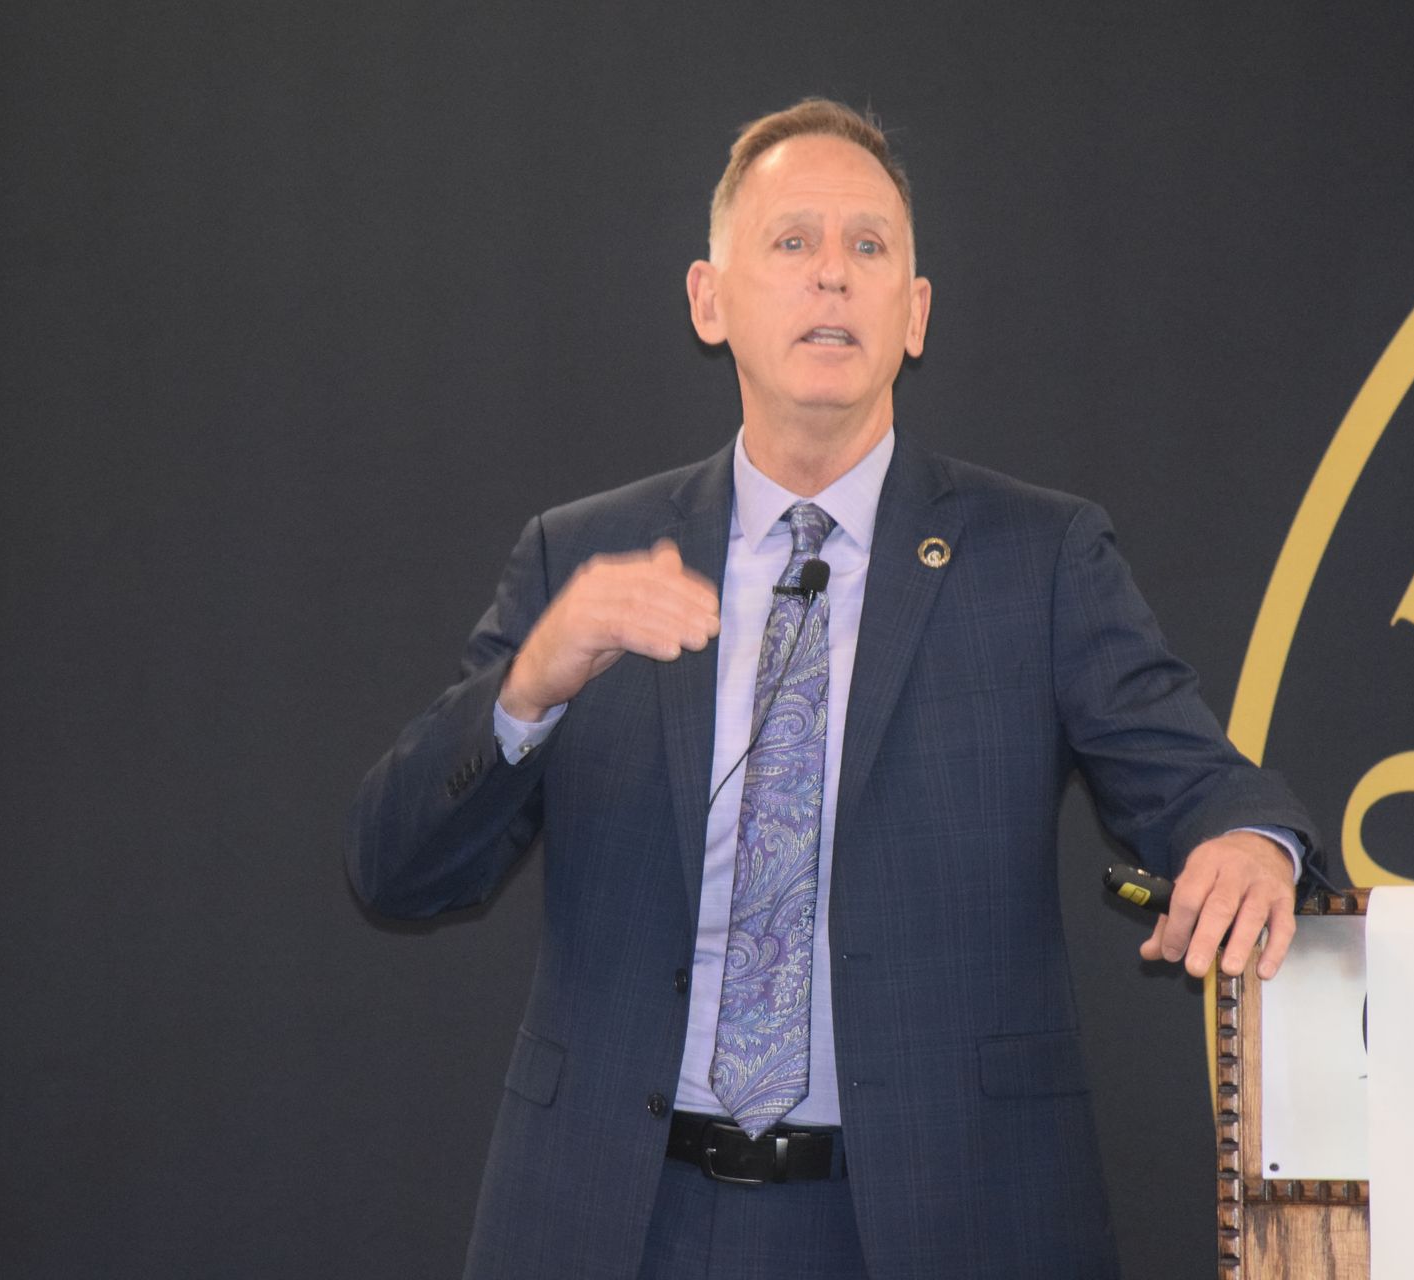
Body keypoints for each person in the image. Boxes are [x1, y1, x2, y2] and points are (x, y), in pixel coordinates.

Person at [348, 98, 1318, 1280]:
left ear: (914, 316)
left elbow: (1203, 786)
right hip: (613, 1215)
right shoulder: (582, 556)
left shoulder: (1040, 557)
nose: (833, 278)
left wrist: (1253, 844)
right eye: (793, 243)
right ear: (711, 300)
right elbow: (395, 866)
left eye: (869, 249)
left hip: (939, 1215)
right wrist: (530, 686)